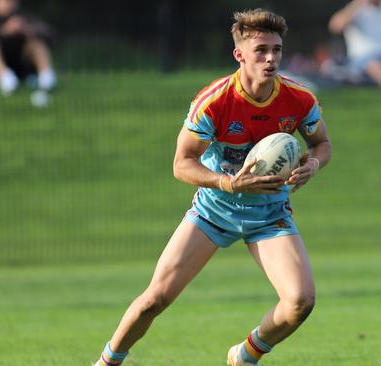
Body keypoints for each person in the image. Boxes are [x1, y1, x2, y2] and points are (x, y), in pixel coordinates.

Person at [92, 8, 332, 366]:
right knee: (155, 299)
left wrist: (312, 164)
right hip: (213, 212)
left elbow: (321, 144)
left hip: (269, 214)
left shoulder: (299, 99)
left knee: (300, 302)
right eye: (261, 50)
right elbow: (181, 164)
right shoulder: (215, 101)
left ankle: (245, 355)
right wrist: (228, 182)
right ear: (240, 55)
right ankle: (107, 362)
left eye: (277, 50)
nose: (271, 59)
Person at [0, 0, 56, 96]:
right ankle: (7, 81)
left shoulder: (22, 16)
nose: (10, 4)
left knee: (37, 43)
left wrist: (24, 28)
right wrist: (4, 31)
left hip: (20, 66)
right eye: (7, 1)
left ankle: (46, 79)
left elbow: (49, 34)